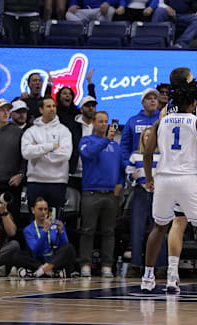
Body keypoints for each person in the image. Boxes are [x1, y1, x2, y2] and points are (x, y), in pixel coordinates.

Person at [140, 71, 197, 292]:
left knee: (159, 228)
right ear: (193, 102)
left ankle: (148, 277)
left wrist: (149, 178)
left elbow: (147, 153)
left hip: (164, 179)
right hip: (189, 179)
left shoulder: (161, 121)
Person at [78, 111, 123, 278]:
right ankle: (85, 264)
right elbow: (88, 154)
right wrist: (106, 141)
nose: (104, 124)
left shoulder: (115, 146)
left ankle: (107, 265)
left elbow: (120, 167)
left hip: (110, 193)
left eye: (106, 121)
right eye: (100, 121)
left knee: (109, 231)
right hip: (91, 192)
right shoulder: (86, 141)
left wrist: (121, 183)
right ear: (94, 123)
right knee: (87, 230)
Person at [125, 126, 167, 271]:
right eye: (146, 136)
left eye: (151, 135)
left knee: (159, 228)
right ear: (142, 139)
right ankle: (135, 265)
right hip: (140, 193)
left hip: (159, 194)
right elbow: (129, 173)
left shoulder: (163, 155)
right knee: (137, 229)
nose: (148, 138)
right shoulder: (135, 155)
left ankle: (161, 266)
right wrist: (133, 177)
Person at [21, 97, 73, 209]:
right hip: (35, 181)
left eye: (54, 106)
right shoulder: (31, 131)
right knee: (35, 219)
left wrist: (38, 152)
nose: (52, 109)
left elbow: (65, 155)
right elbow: (26, 153)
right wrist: (51, 146)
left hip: (58, 182)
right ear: (41, 109)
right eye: (48, 106)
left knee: (55, 220)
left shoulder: (64, 131)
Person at [20, 197, 76, 277]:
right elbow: (35, 250)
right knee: (17, 254)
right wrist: (45, 231)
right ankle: (50, 271)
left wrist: (61, 232)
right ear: (33, 210)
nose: (43, 212)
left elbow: (65, 246)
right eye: (40, 209)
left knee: (70, 248)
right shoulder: (28, 229)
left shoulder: (57, 224)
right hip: (39, 259)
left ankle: (44, 270)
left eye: (46, 209)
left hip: (54, 259)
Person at [120, 88, 160, 177]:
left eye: (155, 98)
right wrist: (128, 165)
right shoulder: (132, 121)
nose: (153, 100)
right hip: (138, 168)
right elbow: (125, 146)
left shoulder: (163, 120)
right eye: (149, 98)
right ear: (142, 102)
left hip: (159, 168)